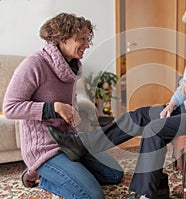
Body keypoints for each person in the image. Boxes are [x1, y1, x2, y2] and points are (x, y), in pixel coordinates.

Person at [47, 2, 186, 199]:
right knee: (140, 115)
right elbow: (185, 85)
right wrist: (172, 103)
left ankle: (144, 193)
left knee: (155, 129)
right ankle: (84, 143)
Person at [3, 13, 123, 199]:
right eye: (82, 39)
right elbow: (10, 107)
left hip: (69, 142)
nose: (87, 44)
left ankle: (65, 172)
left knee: (115, 174)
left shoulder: (71, 67)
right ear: (63, 39)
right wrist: (55, 107)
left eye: (87, 39)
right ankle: (40, 174)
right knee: (92, 195)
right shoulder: (34, 64)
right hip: (43, 148)